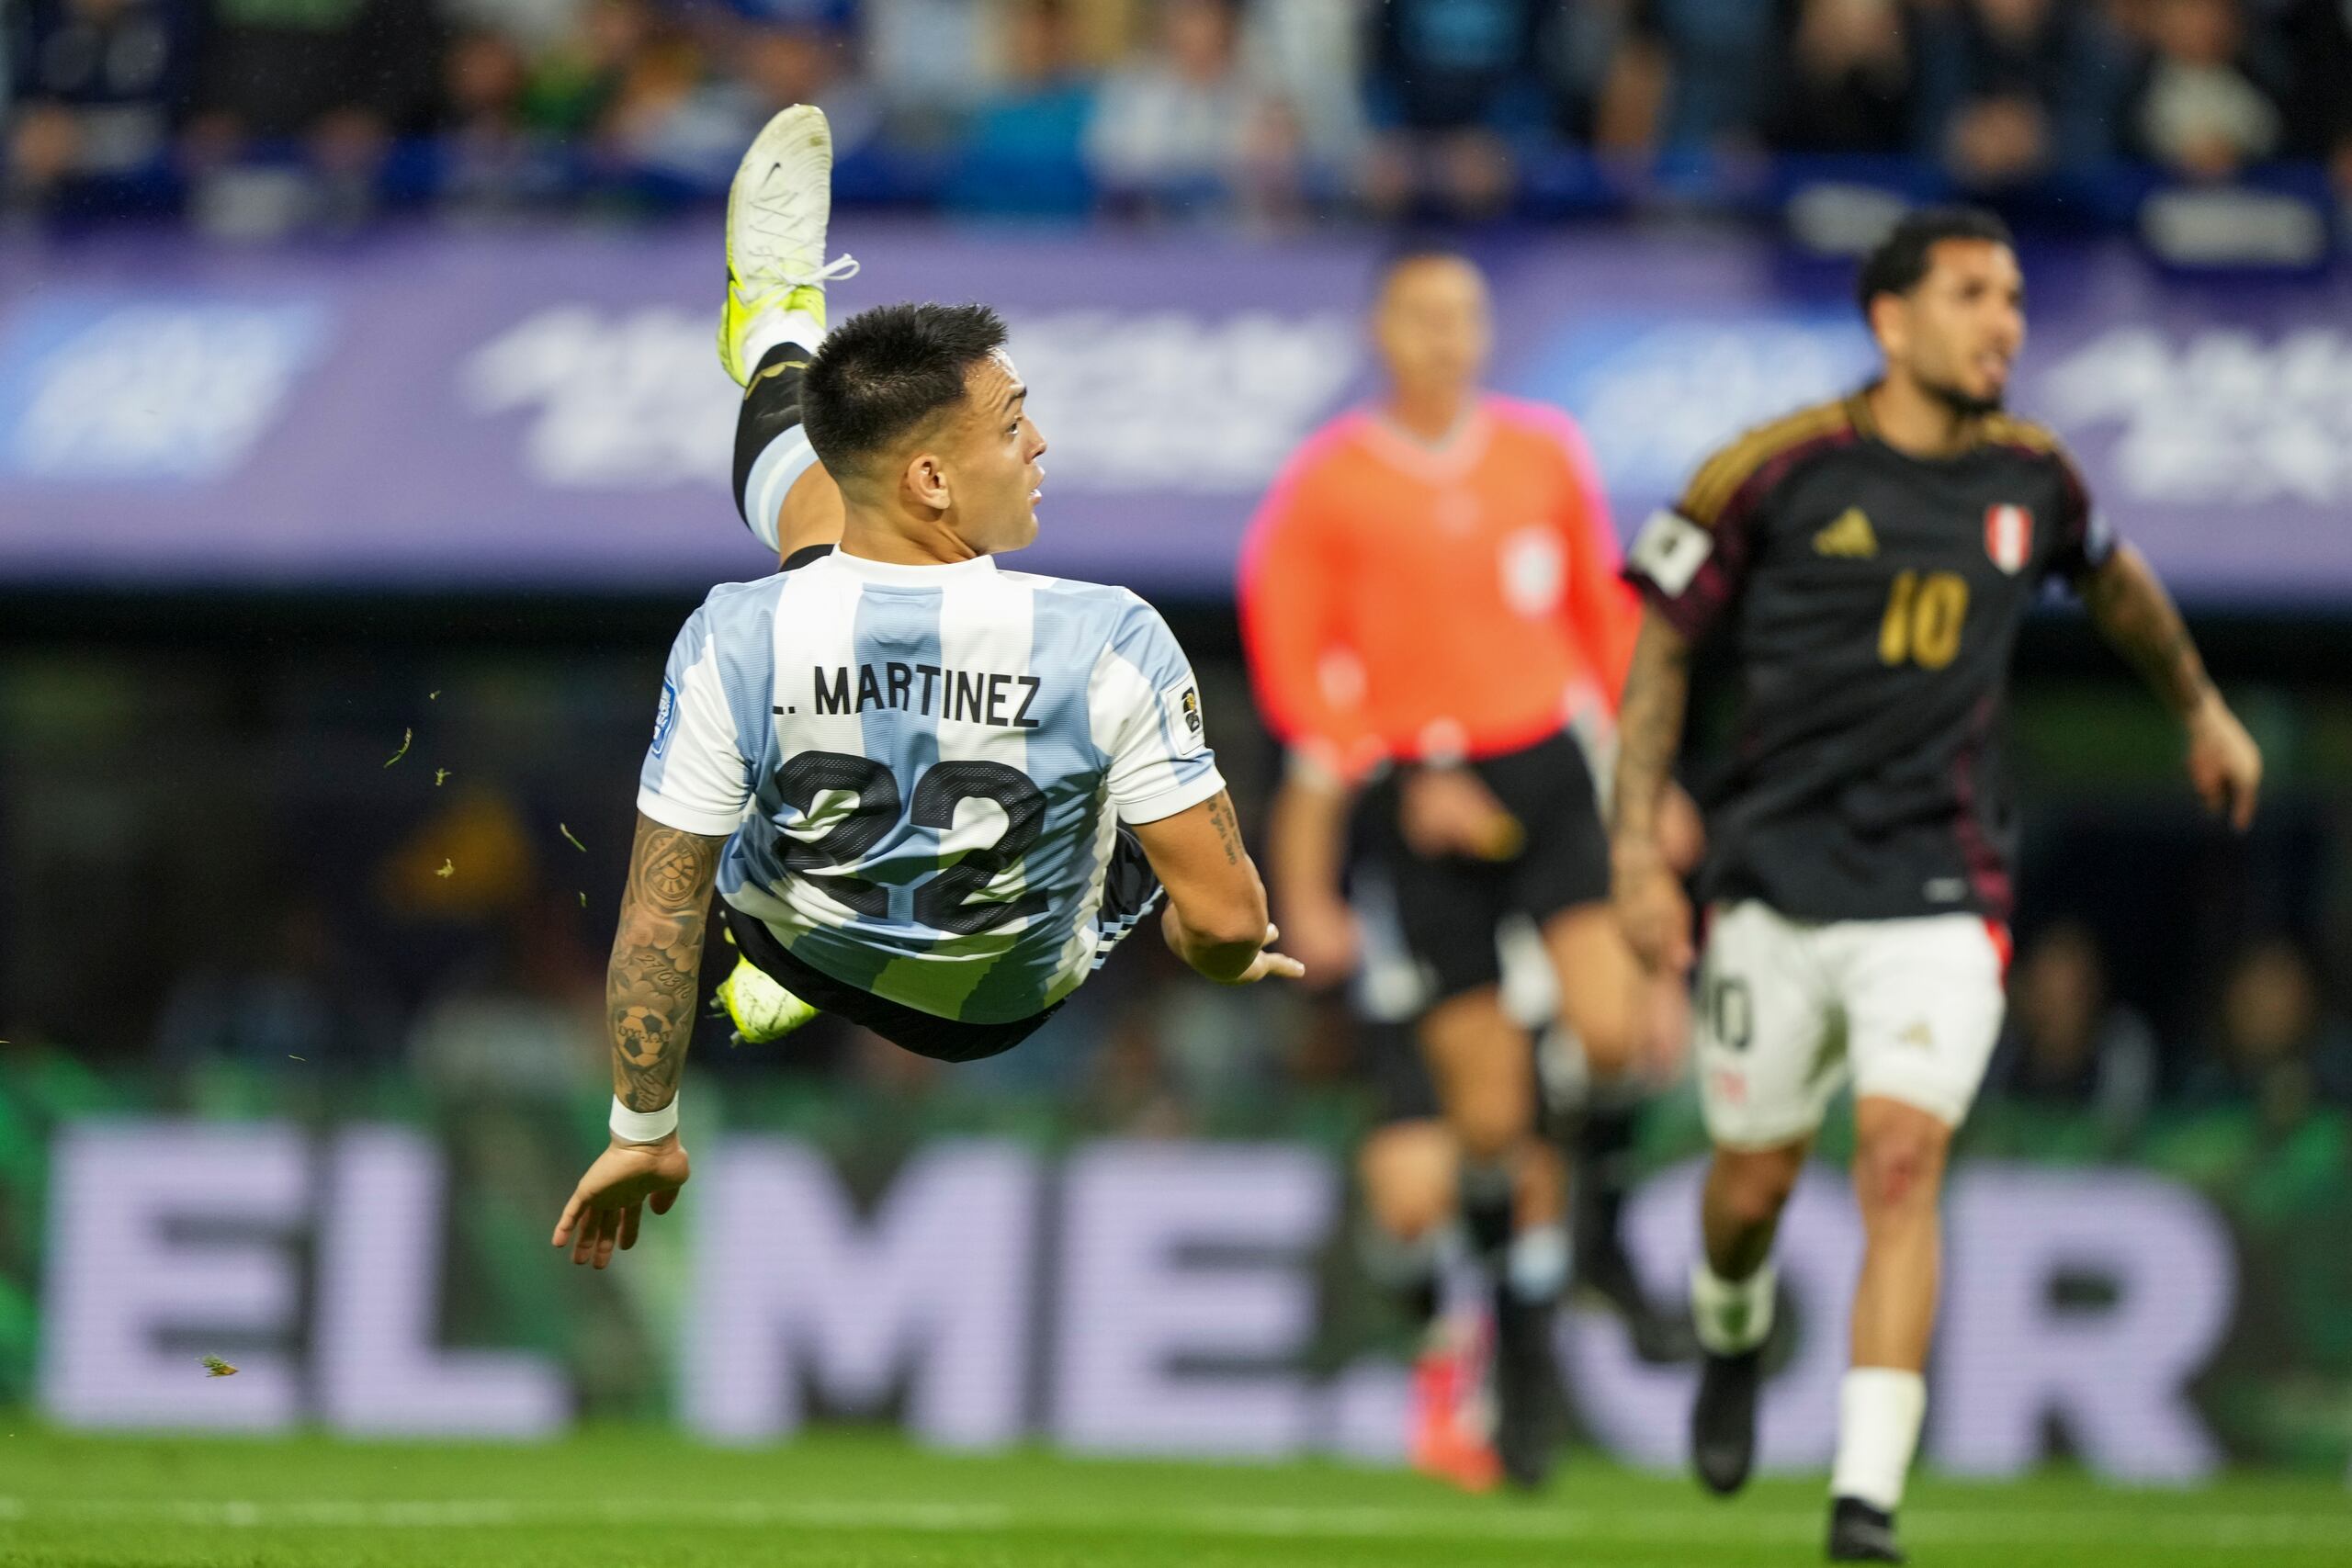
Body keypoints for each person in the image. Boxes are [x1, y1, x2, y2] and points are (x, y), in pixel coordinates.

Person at [1608, 206, 2265, 1562]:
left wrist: (2200, 708)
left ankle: (1864, 1507)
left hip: (1941, 885)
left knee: (1902, 1163)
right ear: (1890, 321)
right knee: (1750, 1189)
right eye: (1973, 293)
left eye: (2015, 296)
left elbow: (2118, 581)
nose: (2004, 321)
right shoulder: (1772, 472)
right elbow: (1664, 647)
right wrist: (1632, 845)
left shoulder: (2034, 478)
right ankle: (1732, 1337)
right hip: (1773, 889)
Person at [552, 107, 1302, 1270]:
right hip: (1009, 998)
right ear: (937, 477)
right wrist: (1234, 944)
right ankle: (777, 336)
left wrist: (641, 1128)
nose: (1041, 444)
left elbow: (660, 912)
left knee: (813, 538)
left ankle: (778, 335)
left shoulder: (730, 634)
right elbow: (1215, 926)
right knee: (1119, 792)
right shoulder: (1111, 638)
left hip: (790, 937)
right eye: (1014, 425)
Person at [1238, 246, 1692, 1488]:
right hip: (1421, 798)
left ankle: (1598, 1230)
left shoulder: (1543, 455)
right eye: (1425, 315)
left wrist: (1651, 787)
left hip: (1544, 769)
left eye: (1467, 316)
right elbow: (1296, 664)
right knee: (1487, 1123)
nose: (1449, 336)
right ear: (1385, 330)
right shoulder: (1329, 485)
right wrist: (1375, 778)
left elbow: (1605, 625)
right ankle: (1515, 1373)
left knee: (1616, 1024)